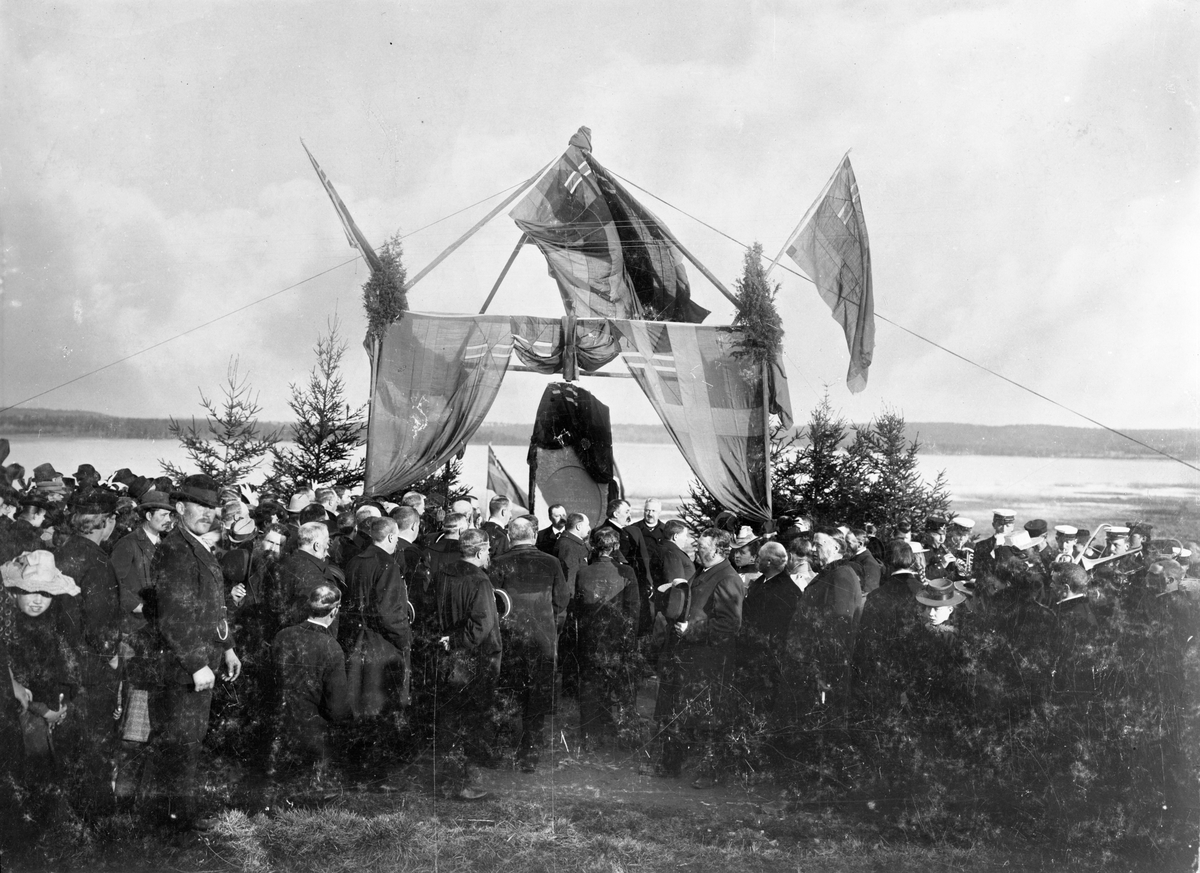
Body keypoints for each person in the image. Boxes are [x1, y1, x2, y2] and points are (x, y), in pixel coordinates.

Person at [147, 474, 241, 831]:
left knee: (189, 741)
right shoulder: (175, 549)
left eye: (212, 507)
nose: (207, 513)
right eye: (199, 506)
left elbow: (213, 606)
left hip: (202, 660)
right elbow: (174, 616)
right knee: (180, 743)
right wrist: (197, 664)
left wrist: (227, 647)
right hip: (184, 667)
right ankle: (173, 824)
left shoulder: (195, 545)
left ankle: (175, 817)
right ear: (180, 507)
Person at [54, 487, 123, 817]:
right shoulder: (98, 562)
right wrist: (113, 658)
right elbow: (100, 627)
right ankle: (98, 815)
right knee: (95, 745)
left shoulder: (61, 552)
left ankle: (67, 812)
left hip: (61, 664)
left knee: (68, 743)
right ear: (106, 522)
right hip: (90, 670)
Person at [654, 528, 742, 788]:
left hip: (708, 660)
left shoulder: (727, 578)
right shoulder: (704, 571)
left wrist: (692, 630)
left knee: (709, 717)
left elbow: (730, 624)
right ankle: (673, 765)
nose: (696, 550)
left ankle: (712, 772)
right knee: (685, 713)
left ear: (717, 550)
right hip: (691, 656)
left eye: (701, 547)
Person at [2, 552, 79, 831]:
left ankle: (43, 825)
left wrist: (60, 705)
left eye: (46, 594)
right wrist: (43, 710)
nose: (38, 600)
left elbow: (58, 669)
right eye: (30, 592)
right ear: (13, 594)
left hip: (46, 712)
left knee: (45, 767)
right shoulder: (8, 630)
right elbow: (14, 681)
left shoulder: (48, 626)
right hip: (22, 714)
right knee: (27, 769)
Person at [489, 515, 570, 771]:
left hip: (510, 636)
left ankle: (502, 750)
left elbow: (493, 602)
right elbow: (562, 599)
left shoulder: (498, 562)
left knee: (509, 692)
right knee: (537, 694)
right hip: (542, 636)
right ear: (534, 536)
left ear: (510, 536)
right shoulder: (551, 562)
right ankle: (529, 755)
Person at [340, 516, 412, 781]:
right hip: (382, 643)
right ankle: (379, 772)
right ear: (391, 537)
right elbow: (389, 613)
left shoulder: (355, 561)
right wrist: (405, 640)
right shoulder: (388, 565)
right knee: (382, 706)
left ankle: (359, 766)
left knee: (360, 703)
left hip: (358, 639)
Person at [432, 528, 501, 800]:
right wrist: (458, 640)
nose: (489, 555)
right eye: (488, 550)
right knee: (472, 719)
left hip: (448, 657)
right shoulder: (480, 581)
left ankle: (449, 780)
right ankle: (465, 783)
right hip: (474, 658)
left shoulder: (442, 574)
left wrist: (448, 640)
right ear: (480, 551)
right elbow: (482, 625)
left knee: (450, 719)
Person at [269, 585, 351, 789]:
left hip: (277, 728)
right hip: (311, 737)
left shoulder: (282, 636)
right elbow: (337, 708)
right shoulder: (331, 647)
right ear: (334, 611)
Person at [574, 527, 640, 751]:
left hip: (591, 640)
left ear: (593, 546)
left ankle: (590, 739)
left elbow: (579, 609)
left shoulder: (583, 572)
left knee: (591, 690)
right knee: (624, 691)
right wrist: (630, 641)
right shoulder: (626, 572)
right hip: (618, 640)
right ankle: (627, 739)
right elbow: (633, 610)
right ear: (616, 547)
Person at [737, 542, 799, 713]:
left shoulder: (787, 591)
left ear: (769, 561)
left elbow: (779, 630)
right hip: (751, 655)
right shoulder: (761, 581)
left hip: (766, 661)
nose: (756, 560)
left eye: (759, 557)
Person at [110, 491, 174, 635]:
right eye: (164, 515)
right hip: (136, 624)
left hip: (161, 622)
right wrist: (135, 606)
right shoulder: (128, 543)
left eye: (170, 515)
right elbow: (111, 580)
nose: (168, 520)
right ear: (149, 516)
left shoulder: (168, 542)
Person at [271, 522, 343, 631]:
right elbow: (319, 619)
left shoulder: (283, 563)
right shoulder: (314, 575)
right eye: (327, 542)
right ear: (317, 546)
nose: (328, 546)